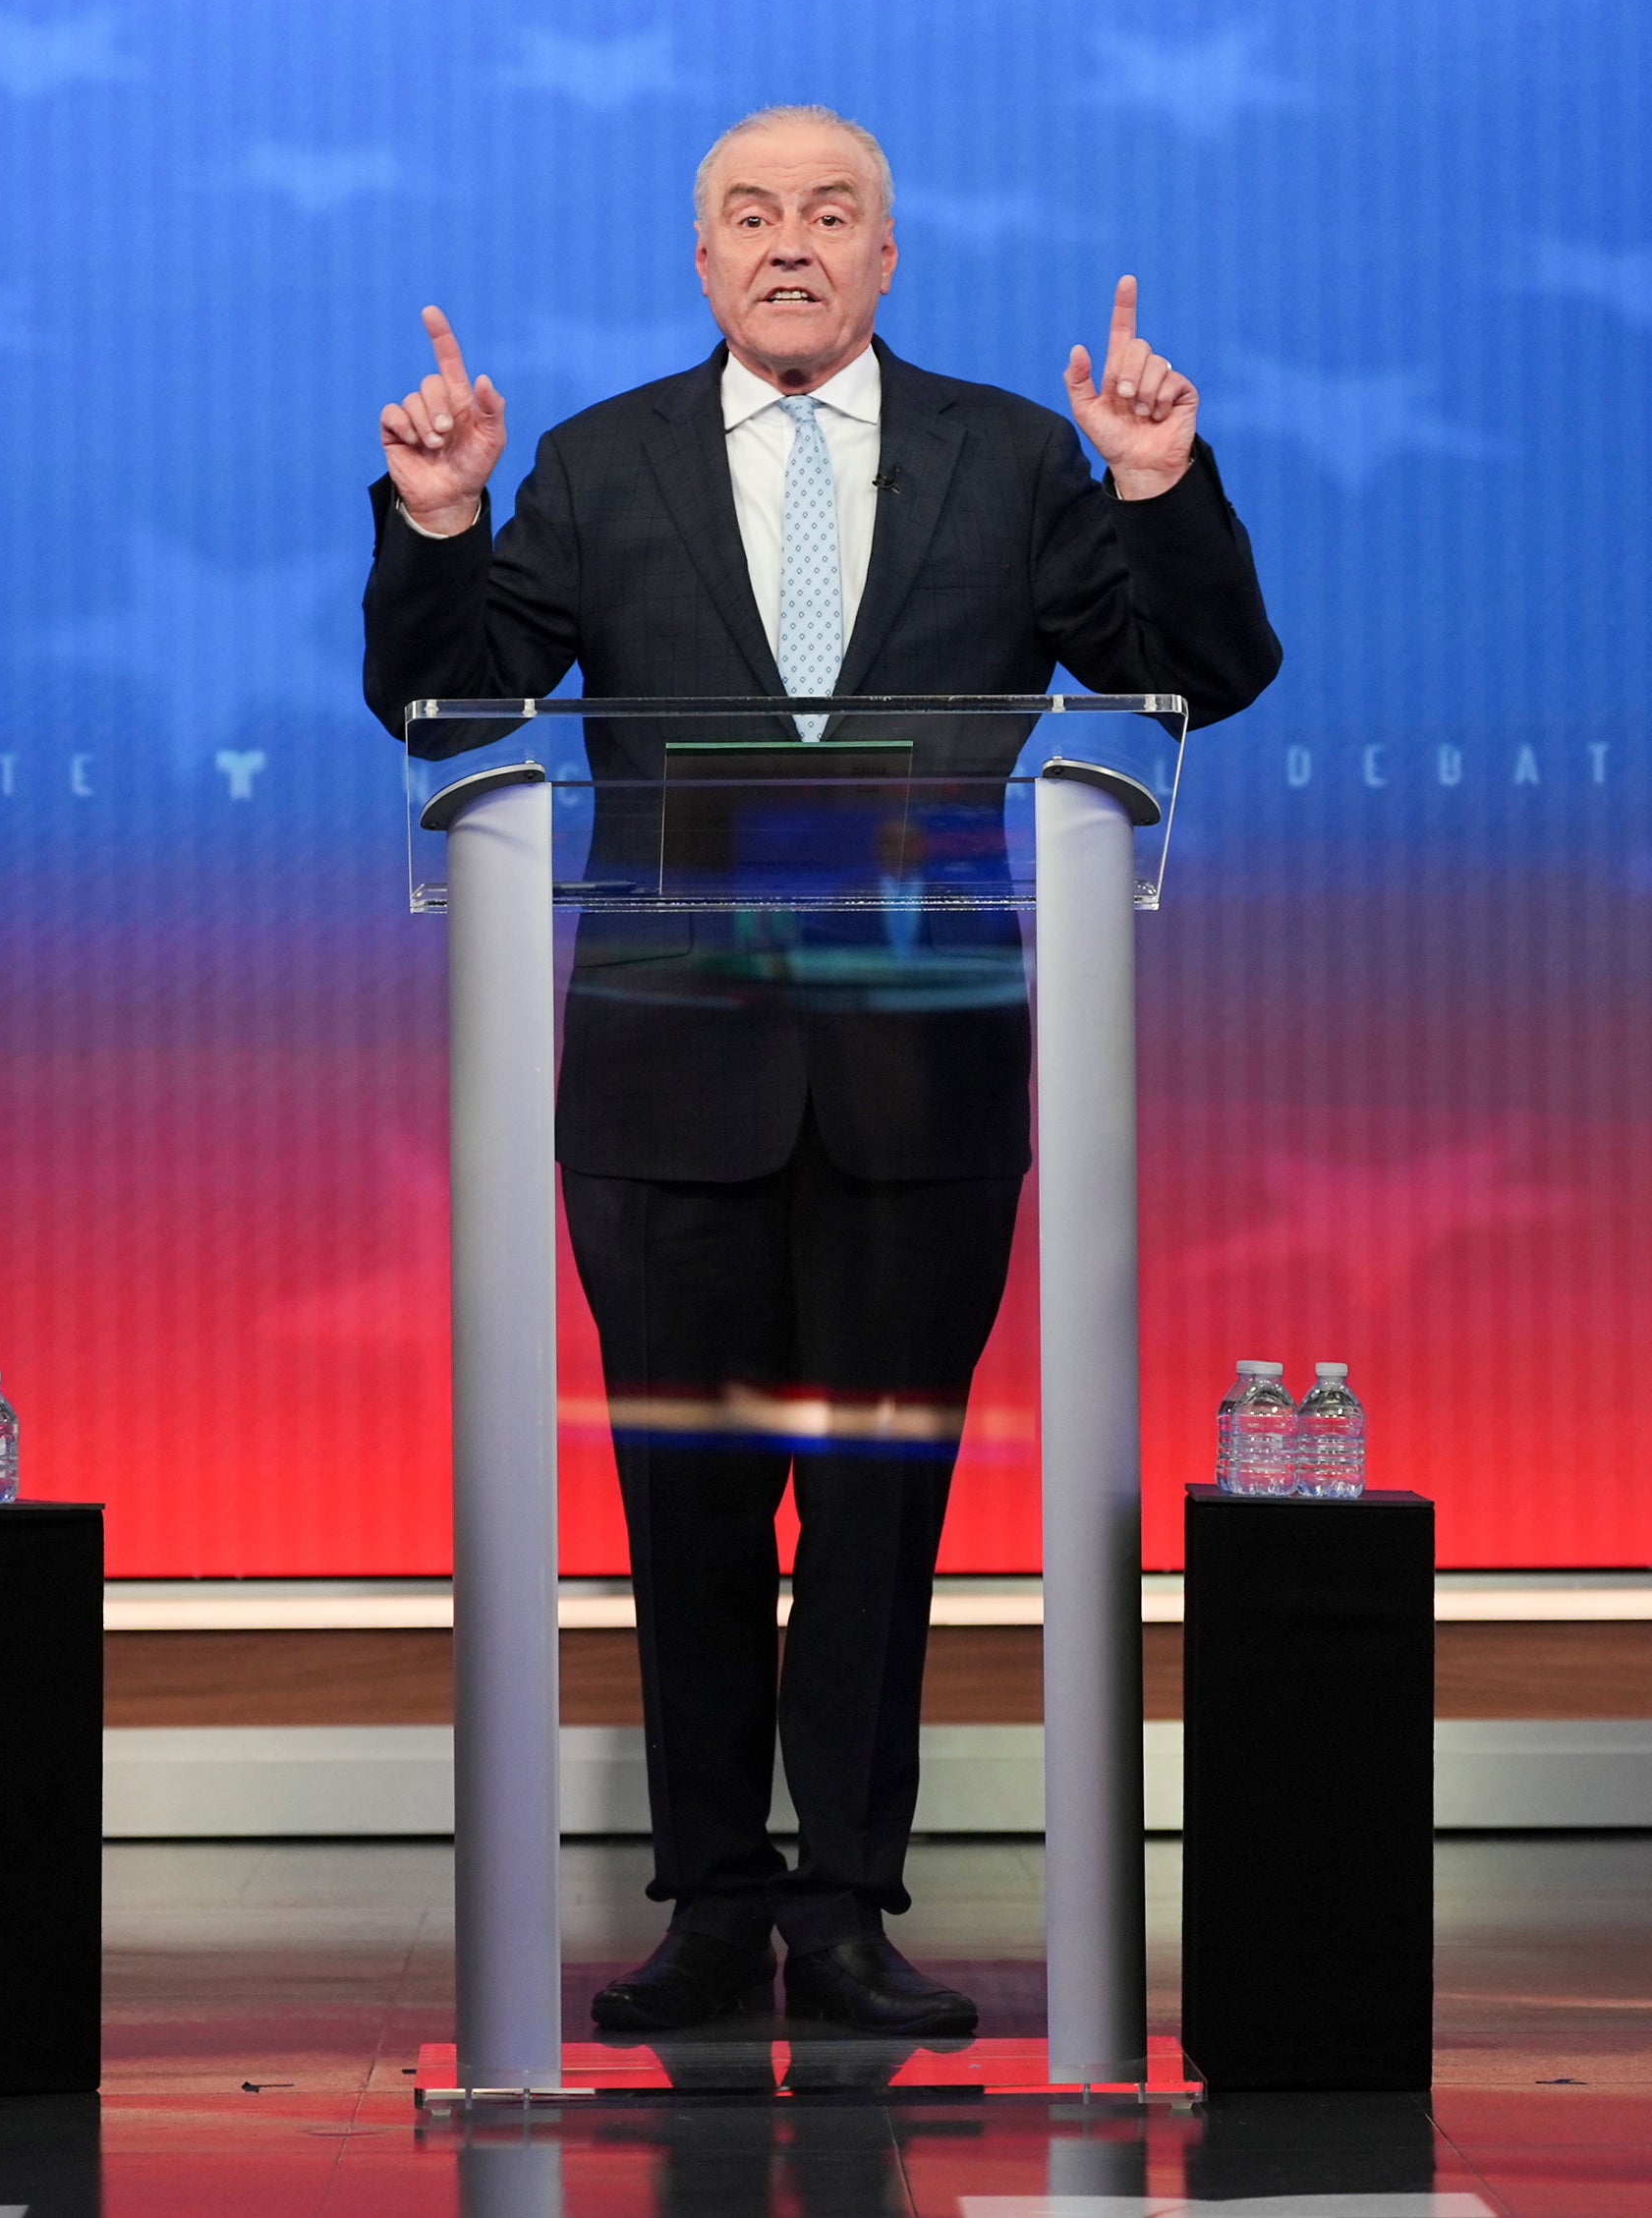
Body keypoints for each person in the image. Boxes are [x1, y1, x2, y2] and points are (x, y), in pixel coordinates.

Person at [362, 106, 1280, 2036]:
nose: (791, 243)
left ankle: (848, 1901)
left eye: (832, 213)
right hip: (663, 1077)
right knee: (684, 1505)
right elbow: (449, 703)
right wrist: (441, 523)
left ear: (889, 258)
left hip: (919, 1071)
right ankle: (709, 1901)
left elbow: (1200, 670)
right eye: (750, 216)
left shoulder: (1018, 457)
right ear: (700, 259)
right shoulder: (599, 466)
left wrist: (1156, 484)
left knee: (881, 1503)